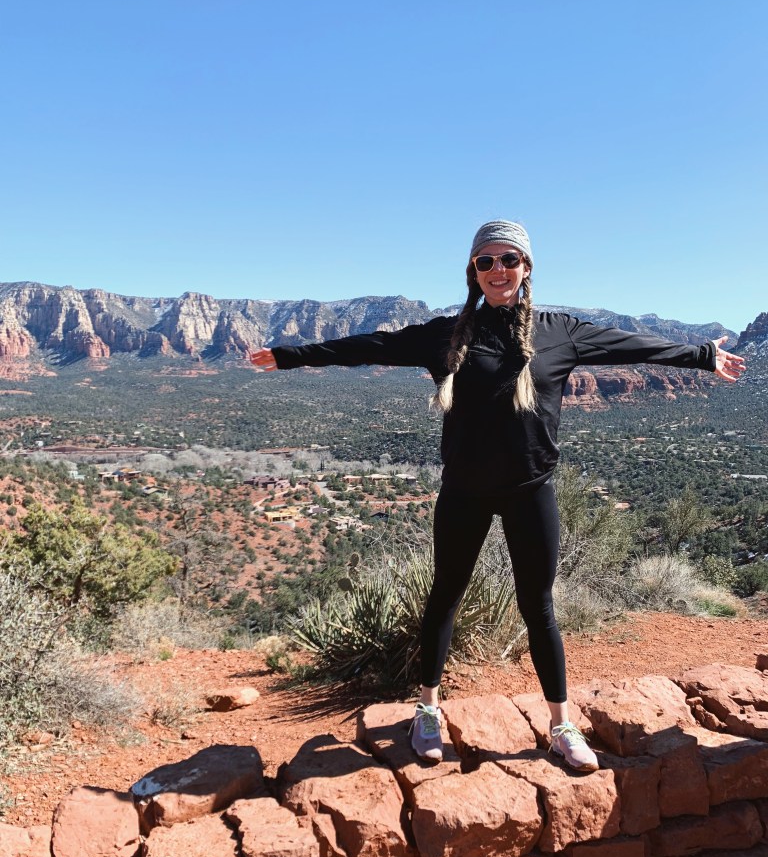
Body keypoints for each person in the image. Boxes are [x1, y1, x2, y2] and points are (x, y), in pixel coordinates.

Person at [248, 220, 746, 770]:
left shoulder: (561, 332)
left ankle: (561, 724)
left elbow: (630, 345)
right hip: (464, 491)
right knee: (445, 596)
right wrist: (289, 355)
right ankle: (428, 710)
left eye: (509, 259)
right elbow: (372, 346)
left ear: (526, 267)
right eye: (486, 261)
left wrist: (702, 355)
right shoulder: (446, 336)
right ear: (474, 271)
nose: (498, 270)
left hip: (530, 490)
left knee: (538, 606)